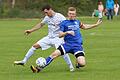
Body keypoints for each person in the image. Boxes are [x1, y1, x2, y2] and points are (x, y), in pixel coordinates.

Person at [30, 7, 102, 73]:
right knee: (54, 55)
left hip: (77, 46)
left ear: (75, 14)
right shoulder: (64, 23)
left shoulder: (77, 22)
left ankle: (78, 63)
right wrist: (67, 32)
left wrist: (95, 25)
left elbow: (85, 26)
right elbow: (60, 35)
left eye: (73, 14)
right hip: (67, 45)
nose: (71, 15)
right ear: (68, 14)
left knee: (82, 64)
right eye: (70, 13)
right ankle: (38, 68)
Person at [14, 4, 74, 72]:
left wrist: (67, 35)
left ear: (50, 9)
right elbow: (40, 24)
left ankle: (71, 66)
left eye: (46, 12)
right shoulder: (47, 17)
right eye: (44, 13)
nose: (46, 14)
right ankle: (24, 61)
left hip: (58, 38)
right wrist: (31, 30)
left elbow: (67, 25)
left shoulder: (60, 17)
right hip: (49, 37)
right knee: (34, 46)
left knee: (62, 52)